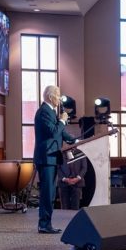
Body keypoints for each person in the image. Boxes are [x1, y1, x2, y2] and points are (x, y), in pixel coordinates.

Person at [33, 85, 76, 233]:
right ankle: (44, 225)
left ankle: (46, 224)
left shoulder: (50, 111)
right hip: (46, 158)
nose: (59, 99)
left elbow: (60, 133)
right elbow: (53, 132)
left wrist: (74, 141)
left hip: (51, 157)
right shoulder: (44, 112)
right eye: (58, 96)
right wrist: (63, 121)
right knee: (47, 193)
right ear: (51, 97)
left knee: (50, 193)